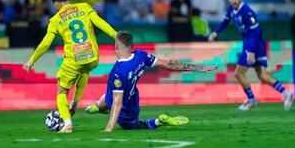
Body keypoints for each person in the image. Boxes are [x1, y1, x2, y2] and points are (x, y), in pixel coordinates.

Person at [24, 0, 117, 133]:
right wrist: (116, 35)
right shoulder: (84, 7)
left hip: (74, 59)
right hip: (93, 57)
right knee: (84, 70)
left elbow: (45, 43)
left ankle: (67, 124)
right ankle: (75, 102)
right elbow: (100, 22)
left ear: (56, 4)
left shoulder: (55, 20)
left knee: (61, 91)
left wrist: (31, 61)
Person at [85, 31, 217, 132]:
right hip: (126, 95)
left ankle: (159, 121)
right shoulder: (140, 55)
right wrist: (198, 67)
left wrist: (109, 128)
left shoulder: (118, 71)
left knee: (134, 126)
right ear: (132, 46)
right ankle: (98, 107)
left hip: (126, 105)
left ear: (115, 46)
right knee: (104, 102)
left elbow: (118, 103)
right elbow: (169, 64)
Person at [208, 0, 294, 111]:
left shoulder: (247, 12)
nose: (234, 0)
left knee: (238, 73)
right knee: (262, 75)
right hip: (252, 44)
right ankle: (286, 92)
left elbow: (256, 32)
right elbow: (226, 21)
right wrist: (216, 32)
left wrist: (251, 51)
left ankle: (251, 99)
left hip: (253, 44)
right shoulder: (231, 9)